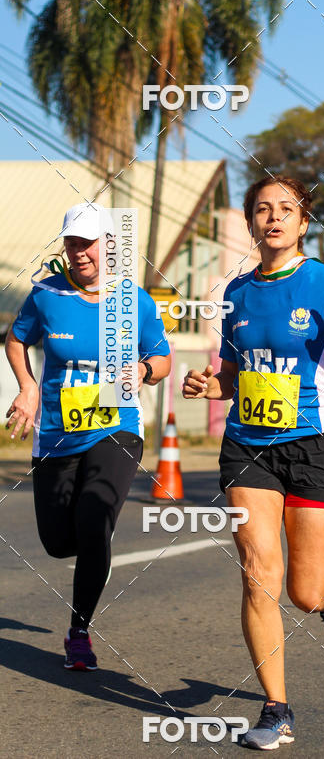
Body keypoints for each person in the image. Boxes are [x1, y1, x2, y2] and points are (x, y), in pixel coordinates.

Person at [183, 175, 324, 750]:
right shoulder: (234, 293)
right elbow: (233, 374)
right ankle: (276, 710)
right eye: (262, 209)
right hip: (248, 447)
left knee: (303, 591)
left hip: (316, 446)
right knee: (259, 577)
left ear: (304, 223)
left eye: (286, 209)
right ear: (252, 222)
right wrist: (210, 385)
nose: (273, 217)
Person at [5, 202, 171, 671]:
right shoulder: (46, 296)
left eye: (88, 242)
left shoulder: (132, 299)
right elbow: (16, 338)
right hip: (57, 434)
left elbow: (162, 358)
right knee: (59, 542)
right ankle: (87, 539)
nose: (79, 252)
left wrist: (142, 369)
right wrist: (28, 386)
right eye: (72, 243)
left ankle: (79, 631)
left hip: (115, 427)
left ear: (109, 244)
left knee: (95, 518)